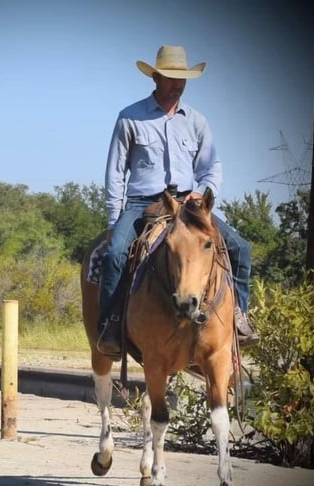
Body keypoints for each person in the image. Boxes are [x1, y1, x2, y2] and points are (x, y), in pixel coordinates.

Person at [97, 44, 259, 357]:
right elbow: (115, 172)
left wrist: (203, 189)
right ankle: (111, 325)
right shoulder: (129, 118)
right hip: (142, 203)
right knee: (115, 253)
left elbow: (212, 166)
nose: (177, 84)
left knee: (240, 248)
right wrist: (112, 219)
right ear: (155, 77)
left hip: (188, 204)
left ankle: (239, 316)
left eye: (182, 78)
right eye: (171, 77)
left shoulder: (197, 121)